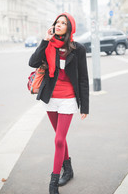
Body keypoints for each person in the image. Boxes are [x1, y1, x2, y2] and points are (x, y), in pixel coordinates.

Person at [29, 12, 89, 194]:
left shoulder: (78, 49)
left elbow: (83, 79)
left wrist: (85, 106)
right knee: (59, 137)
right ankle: (68, 169)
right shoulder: (50, 46)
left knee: (59, 139)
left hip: (68, 99)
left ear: (69, 28)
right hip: (51, 97)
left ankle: (53, 183)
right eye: (57, 22)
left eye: (63, 23)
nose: (59, 25)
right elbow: (32, 62)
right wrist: (45, 41)